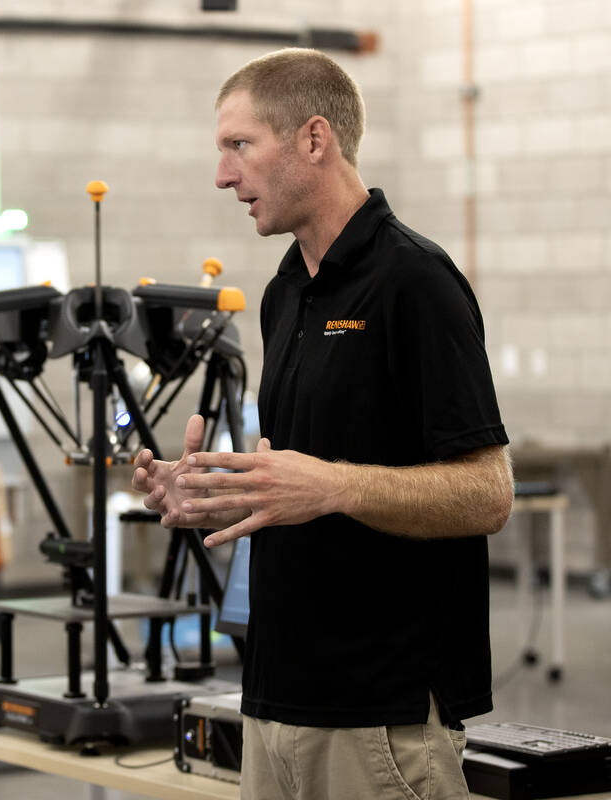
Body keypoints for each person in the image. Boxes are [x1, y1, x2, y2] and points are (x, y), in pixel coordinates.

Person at [132, 49, 513, 800]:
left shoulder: (415, 281)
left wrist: (331, 485)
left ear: (314, 140)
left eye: (239, 146)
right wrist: (216, 491)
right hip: (275, 706)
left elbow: (488, 493)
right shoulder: (285, 294)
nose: (222, 175)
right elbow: (301, 491)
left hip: (382, 721)